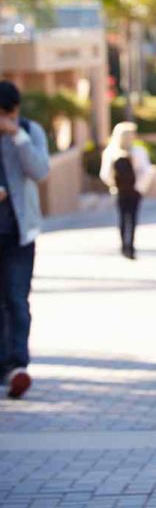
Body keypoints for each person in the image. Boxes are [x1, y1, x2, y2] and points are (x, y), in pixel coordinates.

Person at [0, 80, 49, 399]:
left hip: (20, 233)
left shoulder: (30, 131)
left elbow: (40, 170)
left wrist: (16, 136)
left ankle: (18, 367)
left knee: (17, 300)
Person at [100, 122, 152, 259]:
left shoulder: (110, 152)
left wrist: (114, 185)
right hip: (134, 191)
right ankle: (130, 246)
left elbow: (105, 174)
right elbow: (146, 171)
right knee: (132, 218)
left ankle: (124, 246)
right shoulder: (138, 152)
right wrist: (139, 188)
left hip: (120, 191)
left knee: (123, 218)